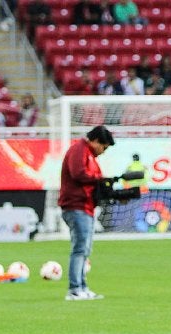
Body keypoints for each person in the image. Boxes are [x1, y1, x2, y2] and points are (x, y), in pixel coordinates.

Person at [58, 125, 114, 301]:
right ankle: (75, 289)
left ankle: (82, 287)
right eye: (103, 147)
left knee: (84, 249)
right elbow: (79, 173)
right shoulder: (79, 150)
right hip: (76, 206)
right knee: (80, 248)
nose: (103, 151)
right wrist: (100, 180)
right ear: (96, 141)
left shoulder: (87, 153)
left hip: (85, 206)